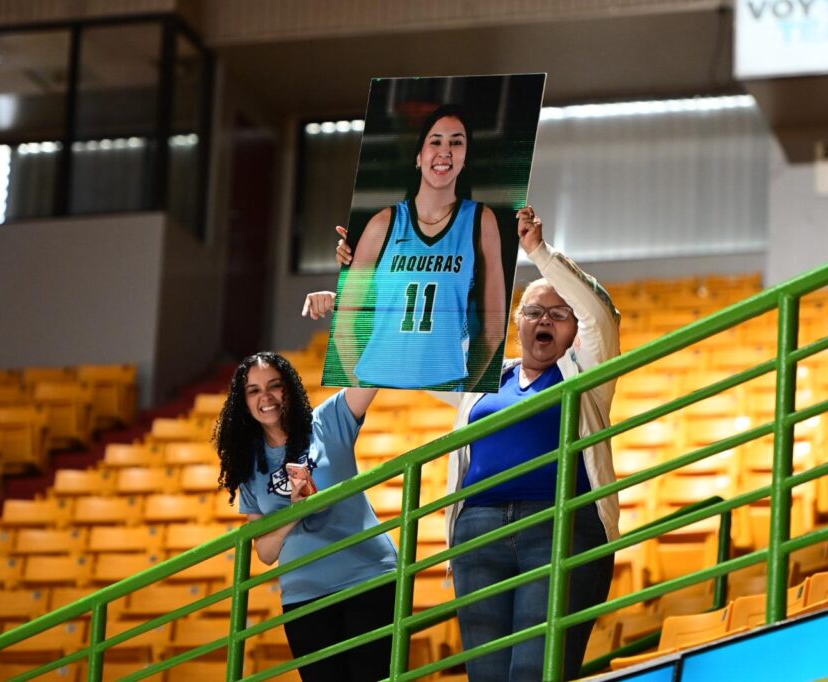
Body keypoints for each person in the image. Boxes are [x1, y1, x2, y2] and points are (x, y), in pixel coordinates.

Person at [327, 205, 621, 681]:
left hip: (561, 522)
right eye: (533, 311)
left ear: (572, 332)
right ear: (517, 322)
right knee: (486, 676)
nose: (544, 320)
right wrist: (367, 268)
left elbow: (598, 316)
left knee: (535, 672)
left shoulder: (587, 372)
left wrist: (537, 253)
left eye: (558, 314)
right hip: (478, 533)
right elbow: (410, 344)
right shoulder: (484, 376)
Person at [215, 352, 397, 682]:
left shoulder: (328, 421)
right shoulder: (248, 466)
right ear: (243, 402)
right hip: (304, 596)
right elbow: (266, 553)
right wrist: (296, 513)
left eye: (274, 386)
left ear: (290, 389)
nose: (265, 397)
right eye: (254, 391)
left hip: (367, 576)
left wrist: (344, 306)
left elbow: (375, 372)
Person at [331, 103, 507, 392]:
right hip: (378, 384)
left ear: (466, 157)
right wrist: (362, 389)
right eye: (435, 141)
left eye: (456, 142)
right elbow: (344, 327)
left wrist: (462, 395)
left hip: (447, 384)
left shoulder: (480, 221)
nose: (445, 150)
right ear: (418, 157)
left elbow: (493, 332)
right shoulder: (383, 223)